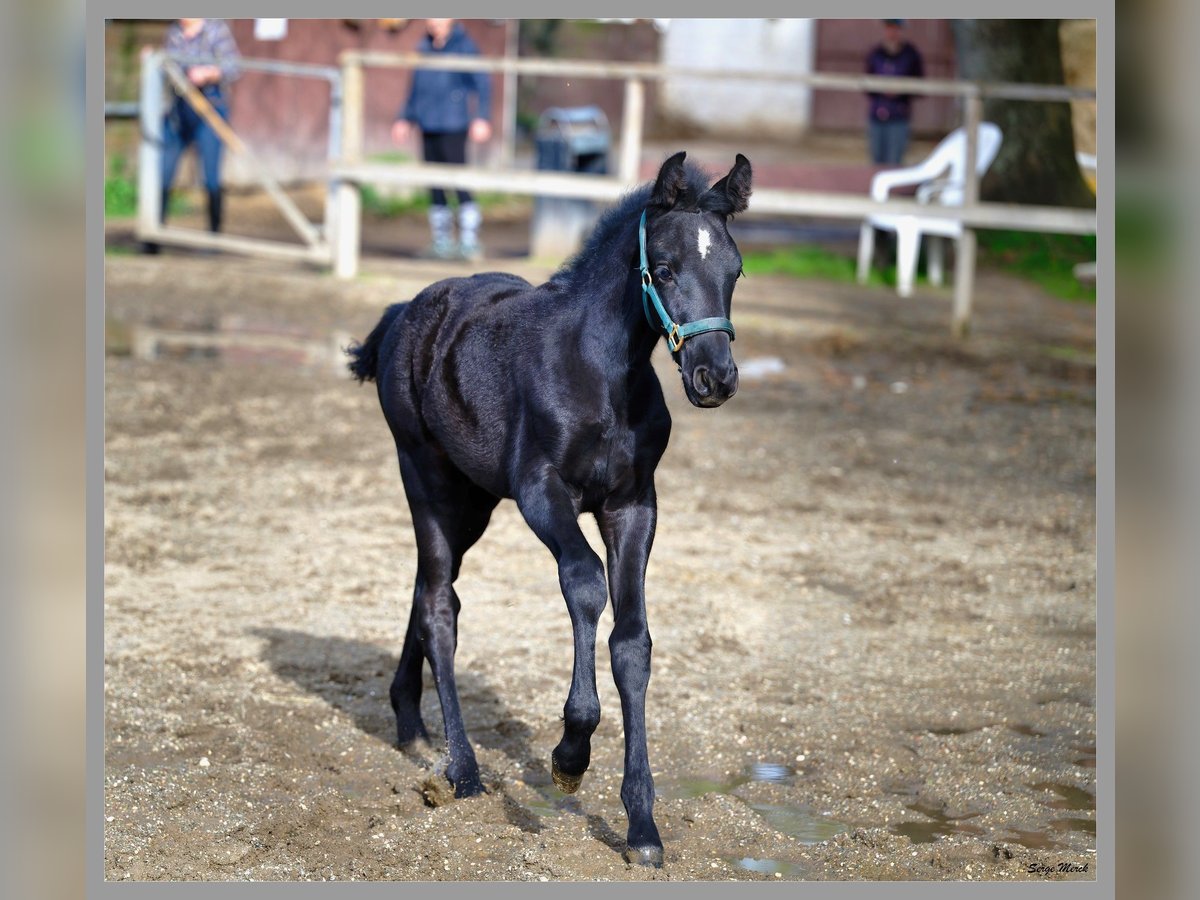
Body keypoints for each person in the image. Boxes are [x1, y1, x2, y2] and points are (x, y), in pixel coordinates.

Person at [391, 19, 493, 260]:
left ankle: (469, 241)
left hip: (453, 123)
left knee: (459, 182)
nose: (434, 21)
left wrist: (481, 117)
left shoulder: (464, 46)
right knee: (434, 184)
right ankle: (441, 241)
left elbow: (482, 83)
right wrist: (406, 117)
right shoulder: (423, 47)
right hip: (428, 123)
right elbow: (415, 88)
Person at [145, 19, 241, 253]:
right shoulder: (174, 32)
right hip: (179, 109)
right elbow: (166, 67)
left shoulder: (216, 30)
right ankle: (152, 236)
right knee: (162, 171)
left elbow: (234, 65)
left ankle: (213, 239)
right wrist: (151, 61)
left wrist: (209, 73)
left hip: (210, 108)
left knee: (210, 176)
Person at [864, 19, 923, 165]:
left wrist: (901, 91)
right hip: (877, 114)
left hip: (899, 115)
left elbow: (920, 84)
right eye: (889, 28)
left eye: (896, 28)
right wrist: (880, 89)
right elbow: (866, 82)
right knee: (876, 158)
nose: (892, 32)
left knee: (895, 159)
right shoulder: (875, 54)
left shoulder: (910, 55)